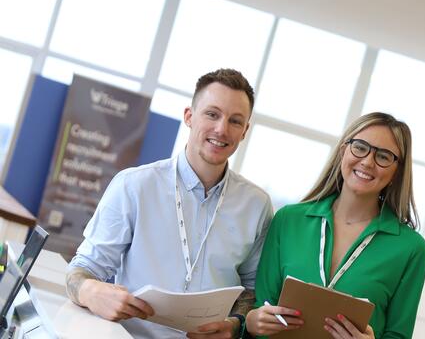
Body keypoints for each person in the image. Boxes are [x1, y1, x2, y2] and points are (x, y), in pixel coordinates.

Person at [65, 68, 273, 339]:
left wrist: (235, 324)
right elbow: (83, 269)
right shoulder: (134, 185)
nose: (222, 129)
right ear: (189, 116)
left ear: (244, 131)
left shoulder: (256, 206)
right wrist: (90, 292)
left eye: (235, 121)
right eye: (212, 114)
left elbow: (251, 290)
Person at [246, 112, 425, 339]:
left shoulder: (410, 248)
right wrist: (252, 322)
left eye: (383, 156)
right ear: (344, 151)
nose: (368, 162)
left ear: (396, 172)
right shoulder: (288, 220)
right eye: (360, 147)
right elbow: (258, 307)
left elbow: (399, 334)